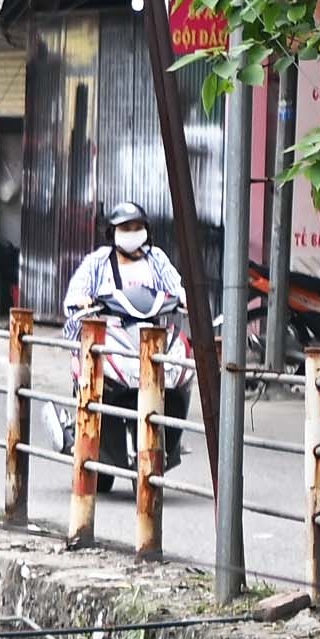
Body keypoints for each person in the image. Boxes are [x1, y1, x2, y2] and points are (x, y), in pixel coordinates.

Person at [60, 198, 193, 487]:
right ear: (113, 232)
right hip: (112, 339)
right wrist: (83, 301)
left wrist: (183, 298)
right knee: (91, 375)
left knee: (179, 372)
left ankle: (170, 439)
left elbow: (176, 287)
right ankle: (84, 434)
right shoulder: (97, 262)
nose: (132, 232)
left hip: (150, 341)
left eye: (136, 227)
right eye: (125, 227)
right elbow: (75, 296)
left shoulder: (156, 259)